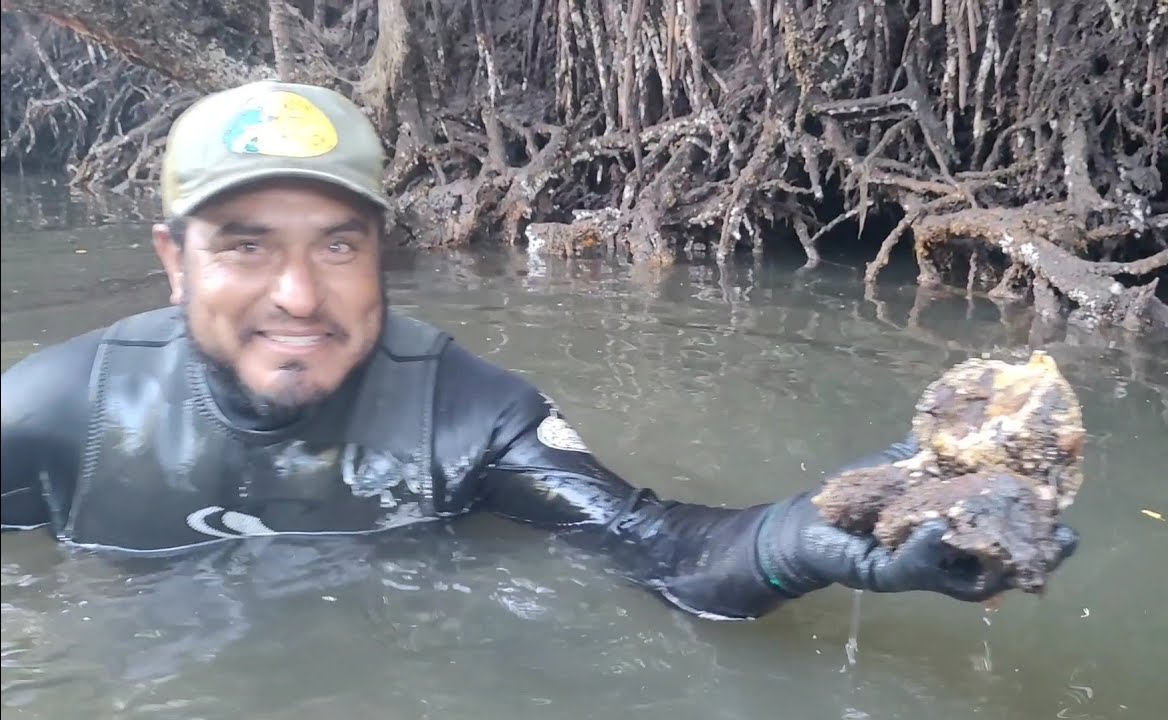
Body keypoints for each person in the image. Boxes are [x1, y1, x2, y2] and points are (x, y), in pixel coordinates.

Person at [0, 80, 1078, 621]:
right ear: (173, 259)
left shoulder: (466, 413)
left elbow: (657, 546)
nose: (297, 294)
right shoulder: (51, 415)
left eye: (336, 245)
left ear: (382, 253)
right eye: (245, 246)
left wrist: (821, 537)